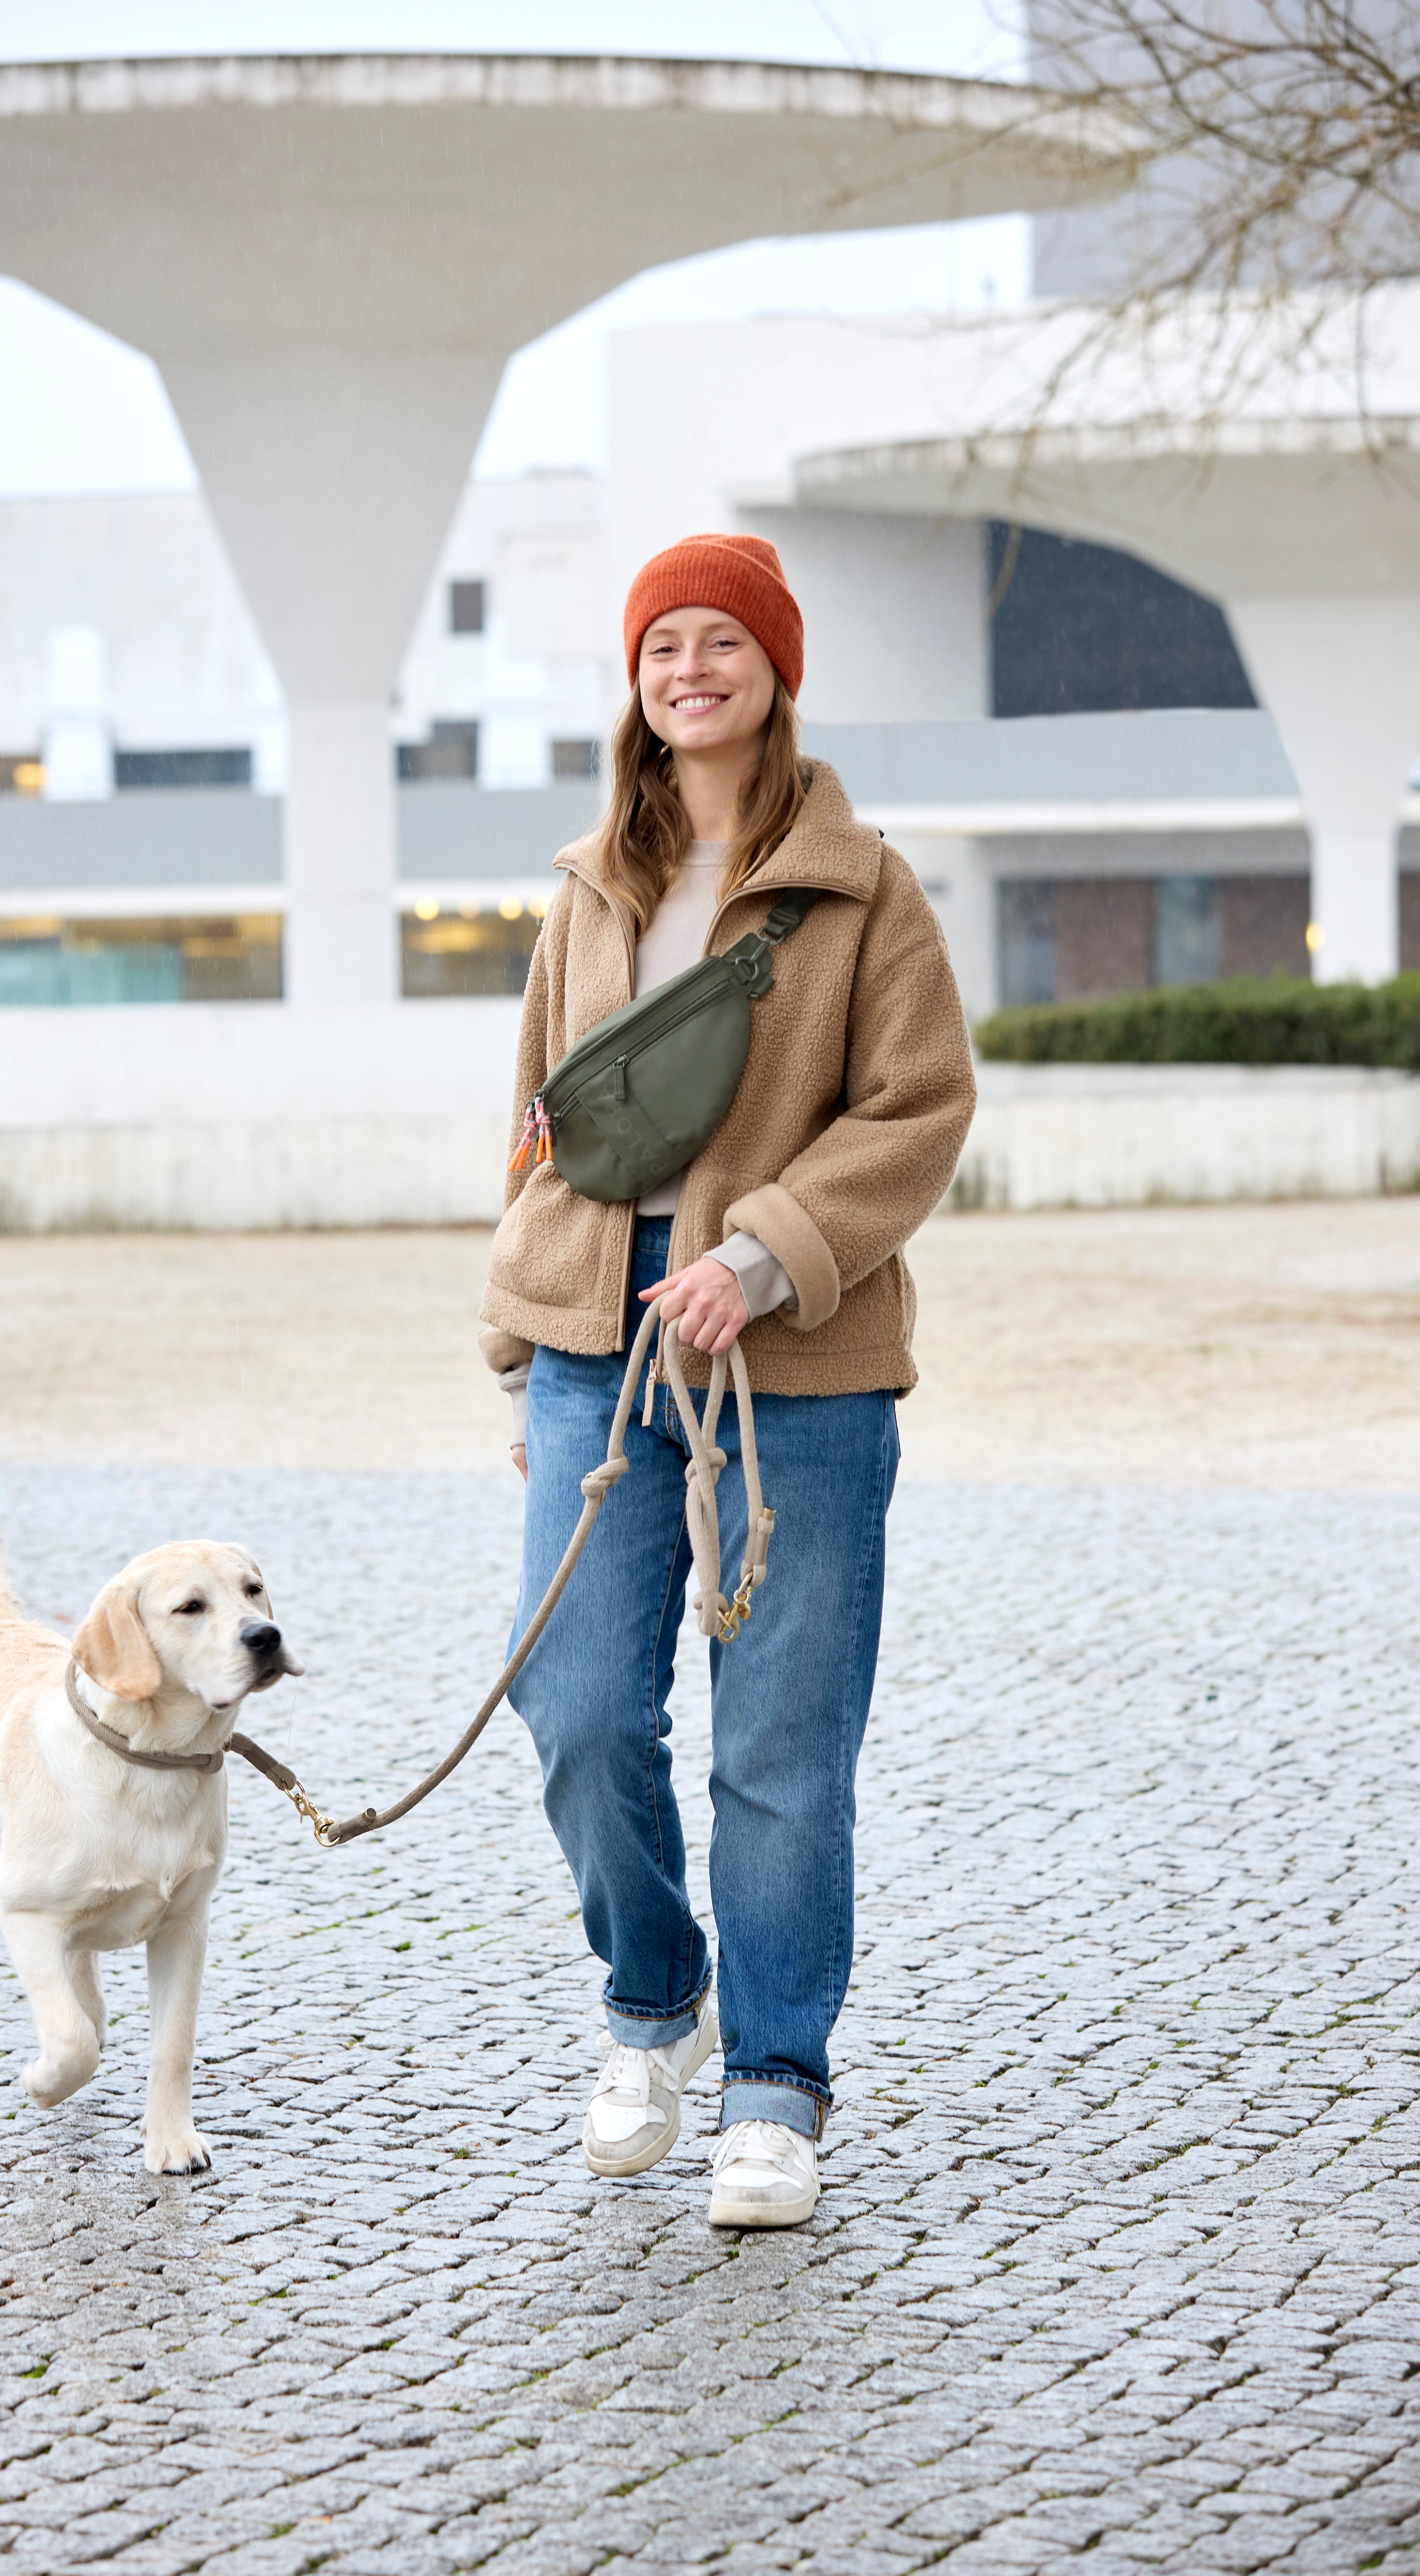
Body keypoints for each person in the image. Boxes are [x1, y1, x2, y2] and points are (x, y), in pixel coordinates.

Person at [479, 534, 976, 2228]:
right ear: (635, 679)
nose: (690, 669)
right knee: (575, 1715)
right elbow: (542, 1118)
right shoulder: (586, 885)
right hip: (589, 1358)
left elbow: (918, 1113)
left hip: (798, 1360)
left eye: (723, 642)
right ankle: (654, 1996)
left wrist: (760, 1252)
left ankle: (774, 2084)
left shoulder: (863, 888)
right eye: (662, 645)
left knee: (781, 1744)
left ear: (778, 667)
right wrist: (521, 1319)